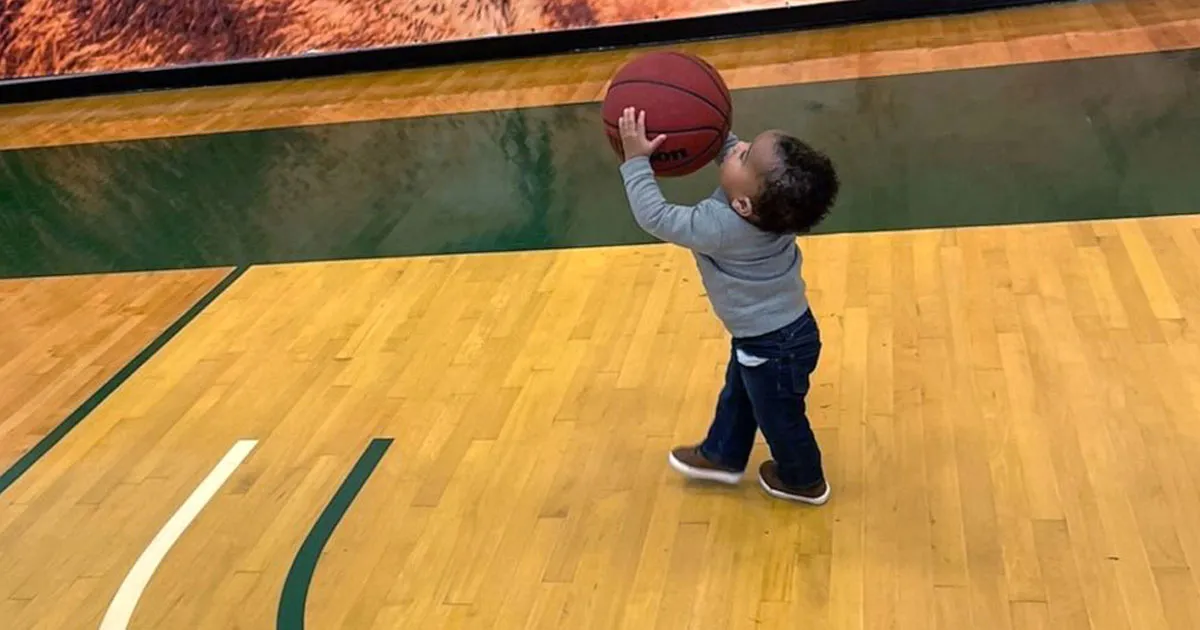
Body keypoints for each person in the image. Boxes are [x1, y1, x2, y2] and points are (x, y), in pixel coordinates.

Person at [615, 107, 839, 504]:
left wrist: (635, 161)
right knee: (741, 393)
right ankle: (722, 454)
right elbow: (732, 148)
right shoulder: (771, 212)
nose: (739, 146)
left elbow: (656, 216)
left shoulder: (719, 228)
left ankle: (804, 479)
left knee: (779, 418)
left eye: (744, 156)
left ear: (742, 206)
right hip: (781, 334)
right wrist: (706, 122)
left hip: (773, 346)